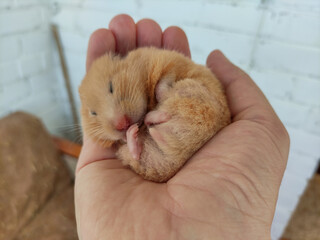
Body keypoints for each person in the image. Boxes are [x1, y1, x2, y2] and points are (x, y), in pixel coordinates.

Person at [75, 14, 290, 240]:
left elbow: (174, 66)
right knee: (126, 152)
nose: (118, 120)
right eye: (94, 113)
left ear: (121, 64)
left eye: (111, 88)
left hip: (195, 118)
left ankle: (151, 133)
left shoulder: (144, 61)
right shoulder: (106, 132)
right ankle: (141, 144)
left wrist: (164, 87)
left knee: (196, 96)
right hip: (160, 154)